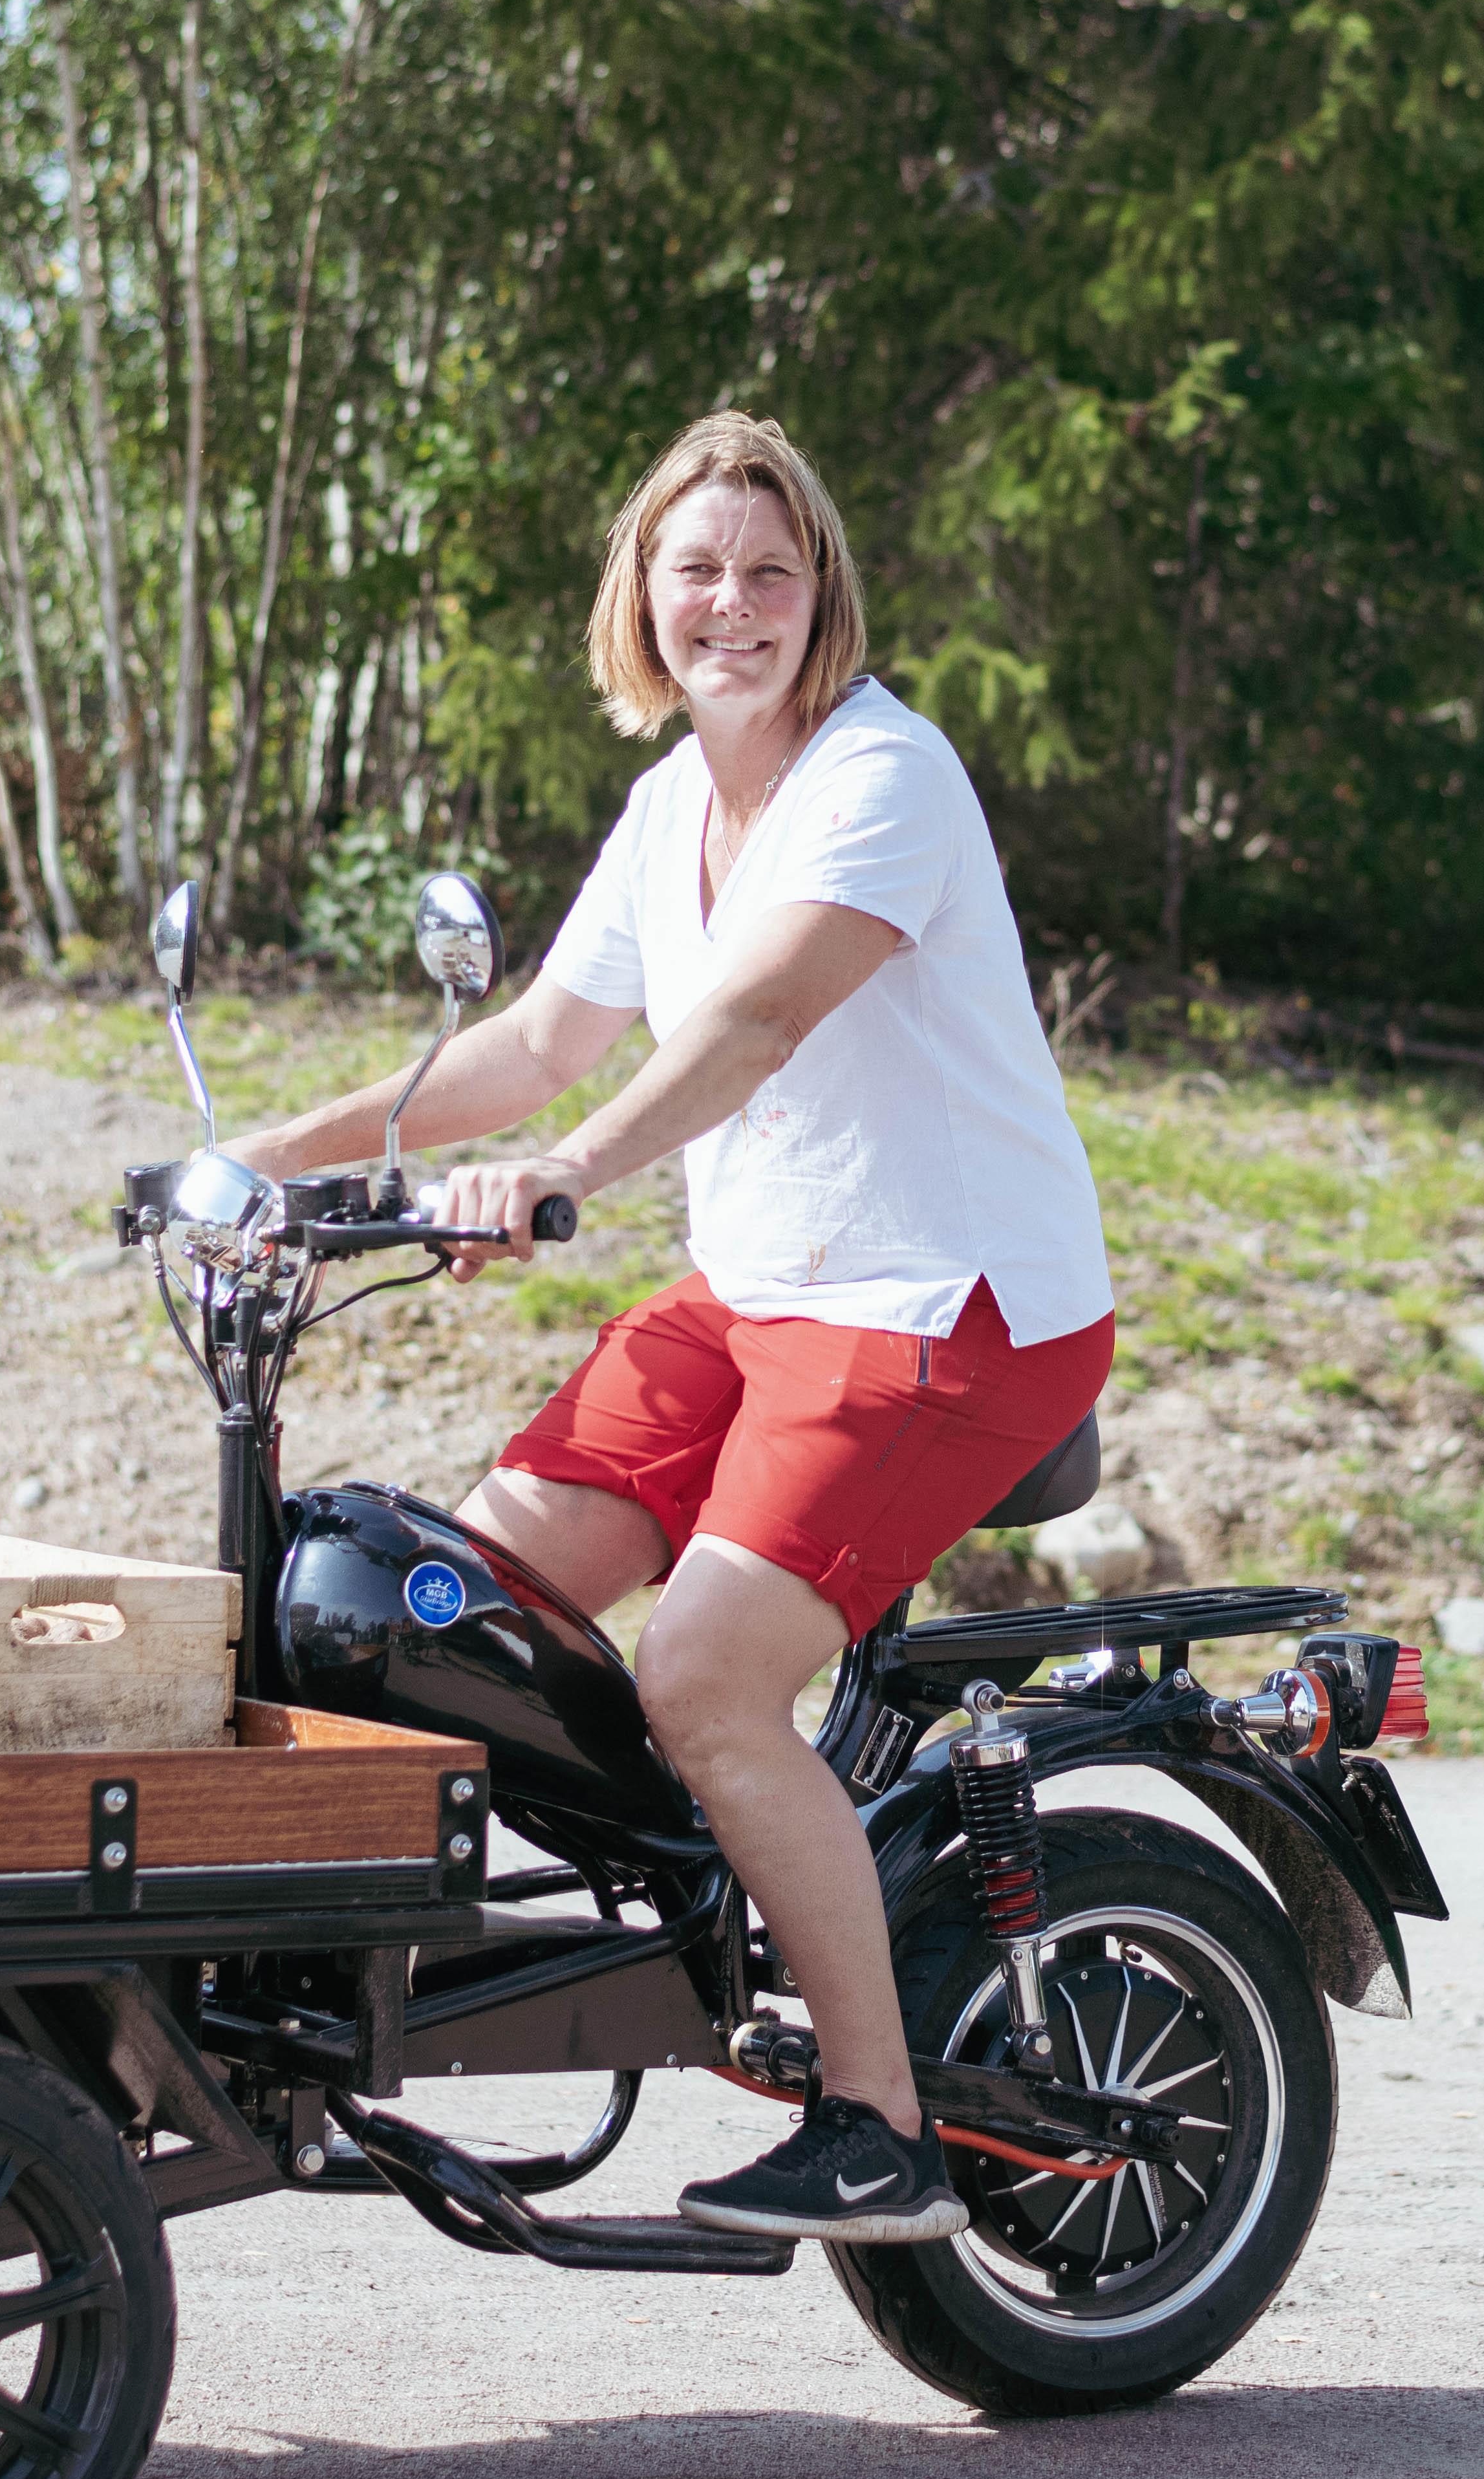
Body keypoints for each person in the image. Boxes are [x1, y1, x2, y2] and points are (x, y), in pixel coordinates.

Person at [220, 413, 1112, 2245]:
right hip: (762, 1298)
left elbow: (755, 1022)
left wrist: (571, 1173)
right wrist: (283, 1153)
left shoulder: (885, 776)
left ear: (820, 598)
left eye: (770, 573)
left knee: (699, 1674)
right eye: (697, 569)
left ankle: (876, 2123)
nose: (734, 603)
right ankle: (719, 1881)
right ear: (645, 595)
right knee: (438, 1595)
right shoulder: (669, 808)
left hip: (945, 1311)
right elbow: (543, 1036)